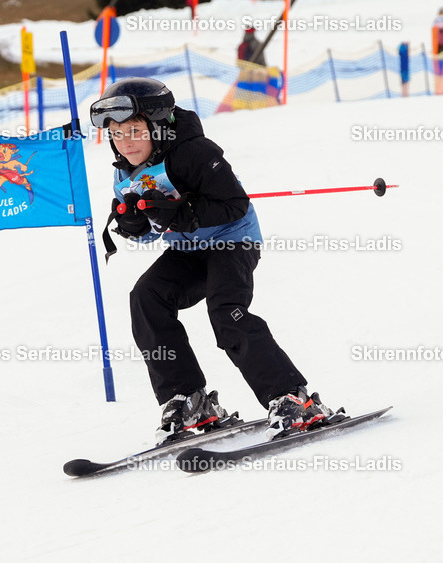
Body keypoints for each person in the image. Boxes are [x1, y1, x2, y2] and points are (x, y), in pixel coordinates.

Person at [91, 77, 344, 444]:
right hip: (188, 250)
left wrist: (186, 214)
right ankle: (188, 399)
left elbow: (234, 204)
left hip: (232, 241)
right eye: (115, 134)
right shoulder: (124, 172)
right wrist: (133, 225)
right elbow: (149, 232)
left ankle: (291, 397)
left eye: (134, 130)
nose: (125, 142)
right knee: (146, 298)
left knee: (226, 311)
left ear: (158, 127)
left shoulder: (194, 152)